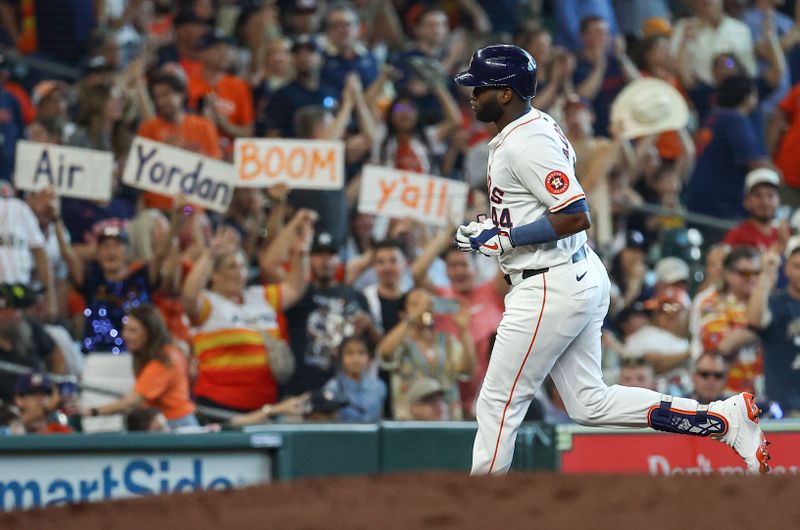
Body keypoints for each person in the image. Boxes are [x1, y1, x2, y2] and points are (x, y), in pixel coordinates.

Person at [453, 44, 769, 475]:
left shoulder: (526, 142)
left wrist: (506, 237)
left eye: (480, 87)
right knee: (588, 402)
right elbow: (535, 206)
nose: (472, 95)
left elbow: (575, 214)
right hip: (568, 274)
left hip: (550, 283)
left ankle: (476, 509)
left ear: (506, 93)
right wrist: (493, 228)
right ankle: (722, 420)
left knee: (497, 402)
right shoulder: (530, 128)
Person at [284, 231, 382, 397]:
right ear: (309, 258)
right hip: (303, 389)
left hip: (348, 392)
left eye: (331, 254)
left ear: (340, 259)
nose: (325, 260)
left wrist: (369, 325)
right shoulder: (298, 292)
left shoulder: (356, 296)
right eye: (318, 254)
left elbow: (379, 346)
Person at [79, 305, 198, 430]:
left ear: (149, 332)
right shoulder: (169, 351)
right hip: (168, 423)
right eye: (125, 329)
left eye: (133, 331)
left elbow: (131, 402)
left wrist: (92, 411)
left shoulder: (163, 361)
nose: (125, 335)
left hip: (176, 426)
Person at [376, 287, 476, 420]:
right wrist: (413, 317)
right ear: (403, 313)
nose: (423, 308)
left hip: (447, 420)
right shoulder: (401, 342)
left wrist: (463, 330)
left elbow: (467, 369)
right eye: (415, 304)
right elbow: (385, 353)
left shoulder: (447, 342)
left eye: (428, 303)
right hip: (409, 423)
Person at [690, 246, 763, 396]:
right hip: (725, 393)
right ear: (728, 274)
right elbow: (719, 345)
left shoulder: (765, 301)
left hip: (761, 392)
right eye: (745, 273)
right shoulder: (710, 301)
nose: (753, 278)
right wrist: (763, 329)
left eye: (757, 273)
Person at [748, 239, 800, 417]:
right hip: (783, 408)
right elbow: (755, 320)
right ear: (787, 269)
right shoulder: (776, 303)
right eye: (797, 266)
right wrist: (766, 272)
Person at [623, 286, 692, 395]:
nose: (670, 314)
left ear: (688, 313)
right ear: (656, 314)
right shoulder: (644, 335)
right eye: (664, 309)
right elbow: (650, 364)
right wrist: (688, 354)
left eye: (676, 308)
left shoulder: (690, 340)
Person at [322, 335, 386, 422]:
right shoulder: (333, 387)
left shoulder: (379, 386)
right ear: (341, 357)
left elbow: (380, 417)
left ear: (369, 357)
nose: (356, 359)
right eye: (349, 353)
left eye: (361, 353)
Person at [723, 167, 785, 251]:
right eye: (757, 195)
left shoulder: (786, 234)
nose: (765, 202)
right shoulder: (737, 235)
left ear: (779, 201)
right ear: (746, 201)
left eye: (770, 195)